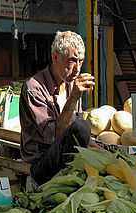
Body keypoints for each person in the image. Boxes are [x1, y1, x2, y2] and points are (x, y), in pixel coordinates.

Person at [19, 30, 101, 185]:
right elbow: (54, 135)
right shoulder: (33, 88)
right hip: (41, 161)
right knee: (82, 126)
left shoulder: (71, 85)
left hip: (66, 155)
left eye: (81, 61)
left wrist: (103, 152)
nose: (77, 69)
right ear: (55, 57)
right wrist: (73, 98)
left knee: (83, 129)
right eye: (72, 60)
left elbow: (78, 136)